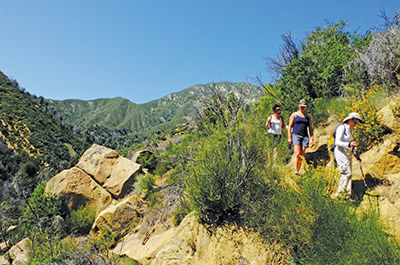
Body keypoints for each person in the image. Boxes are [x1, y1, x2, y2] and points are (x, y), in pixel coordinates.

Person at [334, 112, 363, 198]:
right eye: (355, 122)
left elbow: (351, 145)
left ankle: (346, 195)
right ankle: (340, 194)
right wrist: (349, 144)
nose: (356, 124)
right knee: (346, 173)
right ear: (350, 120)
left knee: (349, 174)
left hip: (347, 153)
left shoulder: (351, 130)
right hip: (340, 153)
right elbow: (337, 142)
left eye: (357, 122)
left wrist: (356, 155)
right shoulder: (341, 128)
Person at [287, 99, 314, 175]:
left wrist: (312, 139)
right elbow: (289, 127)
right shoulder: (294, 115)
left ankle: (299, 168)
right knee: (298, 153)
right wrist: (289, 137)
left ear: (306, 107)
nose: (302, 108)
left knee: (302, 155)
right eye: (301, 107)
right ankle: (296, 171)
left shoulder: (308, 116)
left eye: (304, 107)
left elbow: (311, 128)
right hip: (296, 135)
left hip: (305, 136)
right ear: (298, 106)